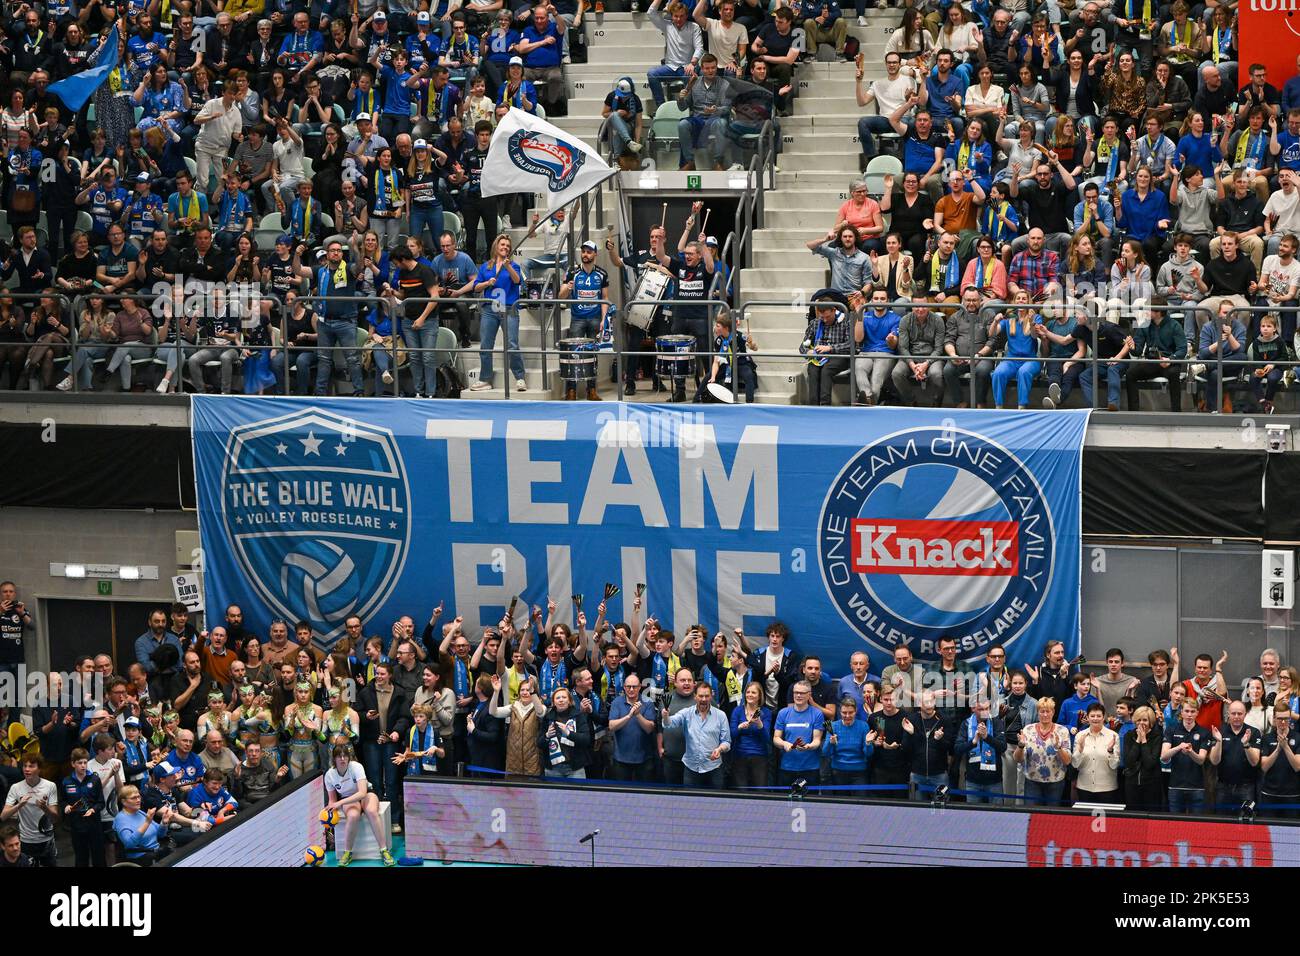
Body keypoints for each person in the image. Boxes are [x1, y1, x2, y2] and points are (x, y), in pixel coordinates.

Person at [324, 745, 395, 866]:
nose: (342, 759)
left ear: (349, 757)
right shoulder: (329, 775)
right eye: (339, 756)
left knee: (372, 812)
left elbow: (362, 793)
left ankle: (384, 850)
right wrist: (328, 819)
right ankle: (347, 853)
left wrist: (339, 803)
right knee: (352, 816)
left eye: (345, 756)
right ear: (334, 759)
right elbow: (332, 801)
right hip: (348, 799)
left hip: (366, 793)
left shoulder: (356, 767)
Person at [1014, 697, 1072, 806]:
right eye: (1042, 711)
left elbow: (1067, 761)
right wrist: (1020, 746)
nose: (1045, 714)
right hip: (1032, 782)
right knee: (1031, 817)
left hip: (1055, 783)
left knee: (1051, 819)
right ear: (1038, 712)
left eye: (1048, 711)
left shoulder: (1062, 731)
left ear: (1053, 712)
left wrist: (1059, 747)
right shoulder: (1028, 730)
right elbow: (1017, 759)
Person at [1211, 700, 1261, 812]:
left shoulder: (1253, 732)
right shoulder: (1220, 731)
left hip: (1246, 787)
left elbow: (1254, 762)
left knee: (1246, 824)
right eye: (1233, 713)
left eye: (1240, 713)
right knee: (1221, 824)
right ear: (1228, 714)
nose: (1236, 716)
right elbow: (1214, 761)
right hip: (1223, 786)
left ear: (1245, 714)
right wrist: (1219, 741)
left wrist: (1246, 744)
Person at [955, 697, 1007, 804]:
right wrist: (973, 742)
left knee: (997, 817)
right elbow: (957, 749)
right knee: (973, 816)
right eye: (981, 709)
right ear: (973, 708)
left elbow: (1003, 747)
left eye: (987, 709)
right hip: (973, 781)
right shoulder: (966, 724)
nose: (985, 712)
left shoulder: (996, 722)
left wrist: (987, 737)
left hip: (994, 781)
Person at [773, 680, 825, 787]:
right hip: (787, 767)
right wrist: (784, 744)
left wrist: (808, 746)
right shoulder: (783, 713)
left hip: (810, 768)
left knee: (810, 802)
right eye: (796, 692)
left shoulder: (817, 714)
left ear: (809, 695)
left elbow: (817, 740)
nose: (798, 695)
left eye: (802, 693)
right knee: (785, 801)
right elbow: (776, 738)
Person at [1258, 702, 1300, 819]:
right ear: (1274, 718)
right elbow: (1264, 767)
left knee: (1291, 833)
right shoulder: (1266, 738)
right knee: (1268, 831)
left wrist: (1286, 746)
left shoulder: (1298, 737)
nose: (1282, 722)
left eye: (1286, 719)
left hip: (1292, 794)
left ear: (1290, 718)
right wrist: (1278, 748)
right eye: (1280, 719)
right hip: (1269, 794)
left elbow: (1297, 766)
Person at [1072, 703, 1120, 802]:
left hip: (1107, 788)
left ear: (1103, 718)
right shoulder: (1080, 735)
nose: (1095, 719)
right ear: (1088, 718)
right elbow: (1075, 764)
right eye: (1092, 716)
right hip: (1084, 787)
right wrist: (1080, 748)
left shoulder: (1113, 736)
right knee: (1085, 817)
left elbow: (1115, 765)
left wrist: (1110, 751)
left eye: (1099, 716)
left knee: (1106, 817)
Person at [1123, 706, 1165, 811]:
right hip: (1132, 783)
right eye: (1138, 720)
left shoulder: (1157, 736)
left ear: (1150, 721)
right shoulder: (1129, 735)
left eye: (1145, 720)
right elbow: (1128, 762)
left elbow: (1150, 763)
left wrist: (1144, 740)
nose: (1141, 723)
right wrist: (1138, 740)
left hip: (1151, 784)